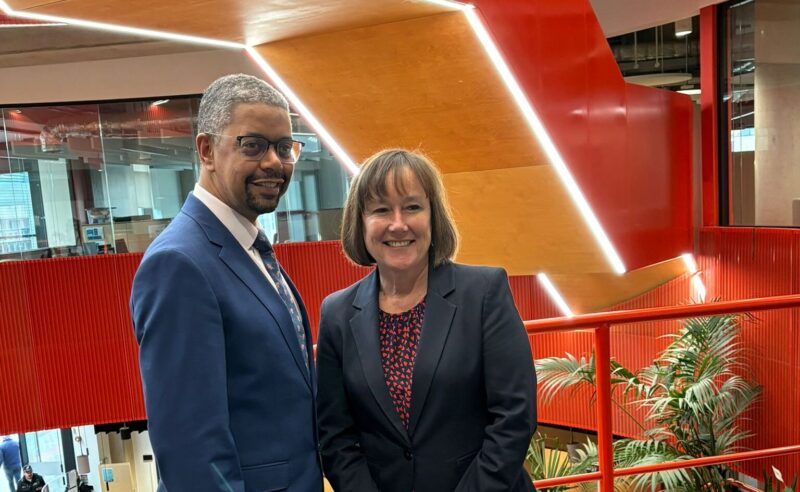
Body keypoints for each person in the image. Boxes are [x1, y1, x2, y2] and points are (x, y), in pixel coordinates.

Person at [130, 74, 322, 492]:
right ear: (206, 150)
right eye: (252, 145)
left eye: (284, 147)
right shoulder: (178, 264)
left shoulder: (249, 247)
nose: (274, 162)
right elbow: (191, 452)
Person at [316, 149, 538, 492]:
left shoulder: (483, 292)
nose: (398, 223)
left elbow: (514, 417)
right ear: (360, 223)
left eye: (412, 207)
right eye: (380, 210)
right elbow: (335, 437)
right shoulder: (337, 313)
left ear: (434, 216)